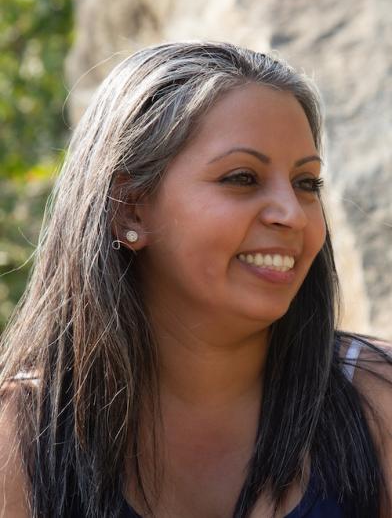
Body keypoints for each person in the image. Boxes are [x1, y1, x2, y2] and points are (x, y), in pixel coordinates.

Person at [0, 41, 391, 518]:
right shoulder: (19, 435)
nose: (292, 213)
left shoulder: (378, 403)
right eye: (242, 178)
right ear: (130, 208)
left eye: (306, 183)